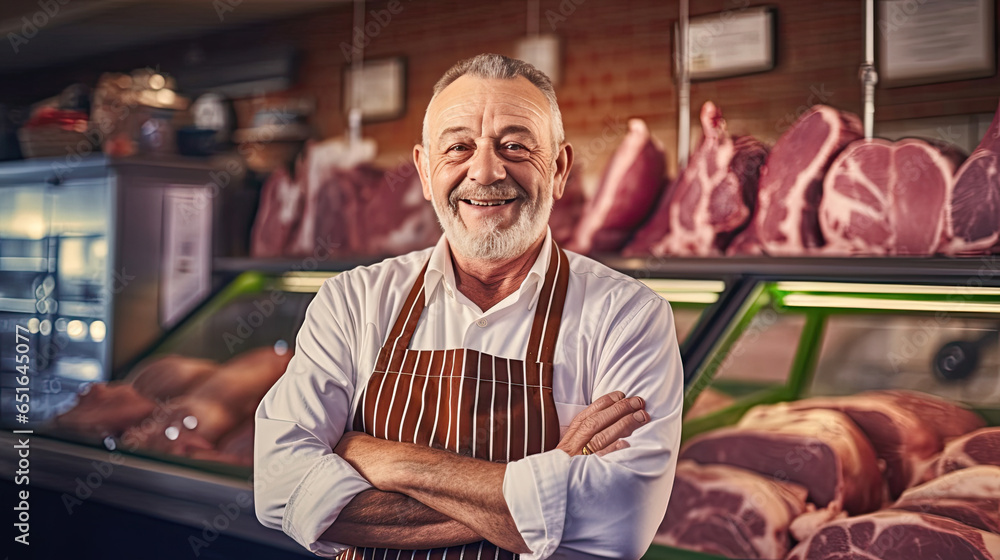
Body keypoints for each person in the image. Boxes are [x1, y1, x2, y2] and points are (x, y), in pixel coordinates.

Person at [254, 53, 683, 560]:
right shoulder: (353, 300)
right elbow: (280, 487)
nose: (485, 170)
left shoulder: (627, 315)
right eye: (458, 147)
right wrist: (547, 487)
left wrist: (380, 457)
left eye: (515, 145)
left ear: (560, 168)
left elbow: (619, 522)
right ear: (423, 168)